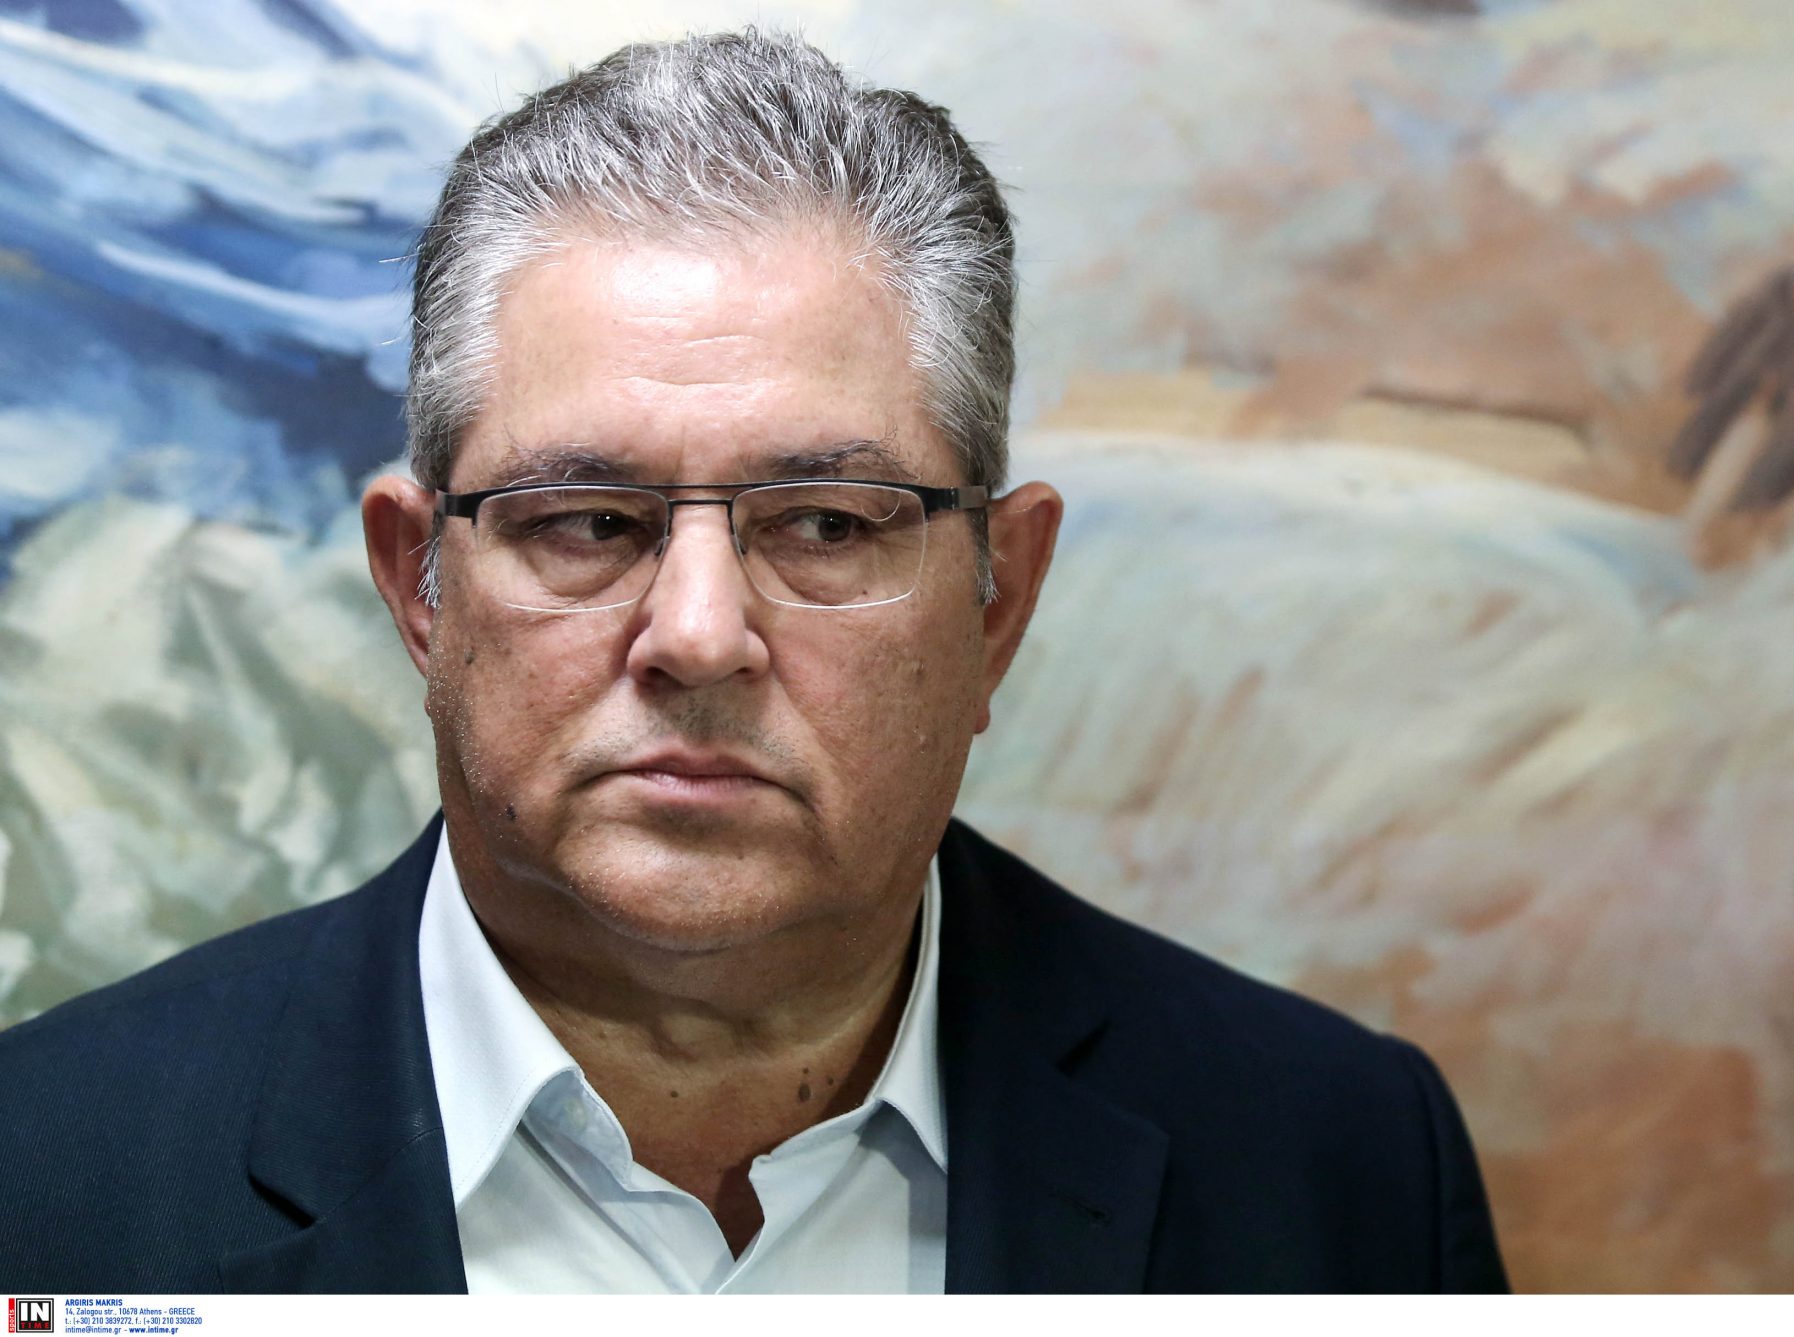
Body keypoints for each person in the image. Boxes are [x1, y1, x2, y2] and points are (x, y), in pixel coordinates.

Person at [0, 30, 1507, 1294]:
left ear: (998, 603)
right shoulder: (44, 1179)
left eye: (828, 525)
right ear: (421, 588)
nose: (699, 635)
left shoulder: (1342, 1167)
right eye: (588, 521)